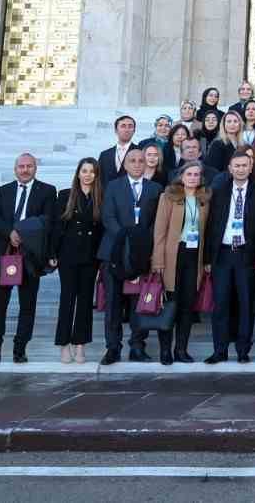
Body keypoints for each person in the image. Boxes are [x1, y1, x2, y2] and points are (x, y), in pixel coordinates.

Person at [0, 153, 56, 364]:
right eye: (21, 166)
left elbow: (48, 221)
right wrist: (10, 233)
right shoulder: (3, 191)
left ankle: (19, 349)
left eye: (29, 166)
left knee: (27, 306)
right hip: (3, 254)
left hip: (31, 256)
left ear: (35, 168)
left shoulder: (47, 191)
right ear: (15, 169)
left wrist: (23, 233)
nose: (25, 170)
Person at [97, 145, 164, 365]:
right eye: (132, 160)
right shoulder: (113, 186)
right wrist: (126, 238)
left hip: (141, 255)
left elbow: (157, 221)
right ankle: (112, 348)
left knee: (139, 304)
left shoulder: (155, 188)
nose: (137, 164)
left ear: (146, 164)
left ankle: (137, 346)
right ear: (125, 165)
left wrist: (140, 244)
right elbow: (108, 217)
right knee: (113, 304)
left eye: (140, 161)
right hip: (114, 253)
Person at [204, 152, 255, 364]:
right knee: (221, 303)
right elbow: (209, 226)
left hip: (246, 254)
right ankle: (219, 350)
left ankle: (243, 350)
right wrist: (207, 258)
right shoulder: (218, 191)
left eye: (244, 165)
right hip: (222, 254)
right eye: (236, 166)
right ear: (230, 169)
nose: (240, 169)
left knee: (245, 304)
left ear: (251, 168)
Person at [150, 160, 211, 364]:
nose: (193, 178)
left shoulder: (205, 199)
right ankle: (165, 350)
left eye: (196, 175)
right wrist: (157, 261)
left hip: (194, 257)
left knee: (187, 306)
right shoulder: (168, 197)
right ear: (181, 176)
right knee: (170, 305)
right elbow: (159, 232)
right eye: (189, 174)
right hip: (172, 256)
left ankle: (181, 350)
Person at [51, 158, 102, 364]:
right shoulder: (65, 195)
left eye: (92, 171)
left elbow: (102, 230)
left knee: (84, 302)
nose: (88, 174)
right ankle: (64, 345)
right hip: (68, 256)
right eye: (84, 170)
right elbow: (56, 227)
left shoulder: (101, 197)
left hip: (90, 257)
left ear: (96, 175)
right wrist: (53, 254)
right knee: (67, 300)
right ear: (78, 173)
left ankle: (80, 345)